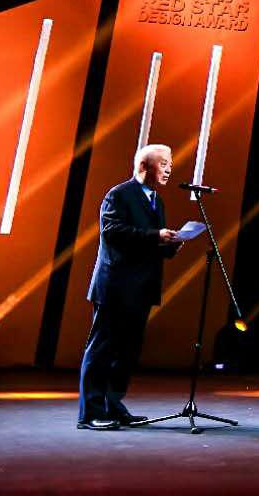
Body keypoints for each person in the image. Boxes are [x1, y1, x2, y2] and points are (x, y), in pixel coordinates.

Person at [77, 143, 186, 430]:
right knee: (102, 349)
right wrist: (156, 236)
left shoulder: (157, 200)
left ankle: (113, 405)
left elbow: (150, 243)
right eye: (163, 163)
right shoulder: (119, 194)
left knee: (126, 353)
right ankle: (90, 414)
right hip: (116, 286)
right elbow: (112, 232)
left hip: (142, 288)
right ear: (143, 166)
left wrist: (172, 244)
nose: (169, 169)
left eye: (170, 164)